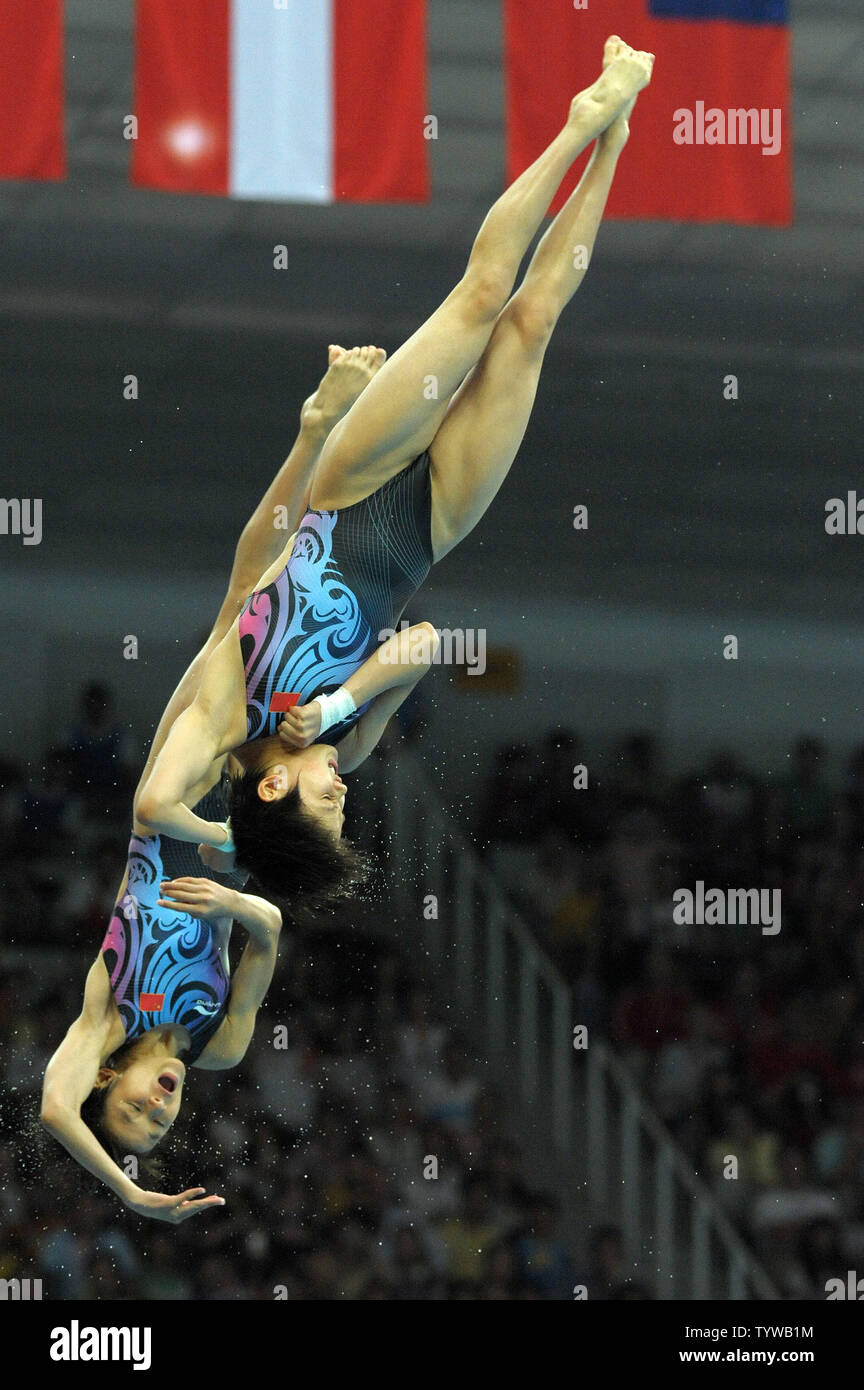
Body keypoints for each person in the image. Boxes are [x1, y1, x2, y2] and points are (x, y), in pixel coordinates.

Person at [134, 36, 656, 902]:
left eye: (326, 807)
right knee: (529, 328)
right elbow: (423, 644)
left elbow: (154, 802)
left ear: (272, 787)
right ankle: (614, 140)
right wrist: (339, 707)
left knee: (480, 299)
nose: (343, 794)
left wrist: (227, 845)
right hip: (430, 527)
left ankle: (578, 124)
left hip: (350, 492)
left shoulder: (221, 715)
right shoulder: (347, 744)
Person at [39, 348, 397, 1223]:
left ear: (108, 1078)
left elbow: (51, 1108)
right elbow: (268, 930)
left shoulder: (107, 1016)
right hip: (245, 828)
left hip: (181, 796)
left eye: (133, 1112)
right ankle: (361, 514)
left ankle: (319, 433)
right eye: (161, 1126)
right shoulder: (220, 1046)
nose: (157, 1110)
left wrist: (131, 1193)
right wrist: (236, 898)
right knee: (266, 618)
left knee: (241, 606)